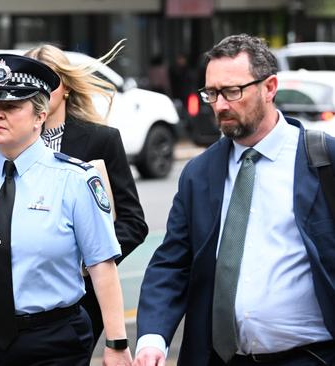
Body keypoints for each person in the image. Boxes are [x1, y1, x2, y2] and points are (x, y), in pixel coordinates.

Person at [134, 34, 335, 366]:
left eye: (232, 91)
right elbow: (172, 263)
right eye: (212, 93)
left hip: (311, 356)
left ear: (269, 88)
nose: (220, 105)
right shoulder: (198, 174)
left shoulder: (323, 161)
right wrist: (152, 339)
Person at [0, 54, 132, 366]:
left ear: (39, 116)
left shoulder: (75, 180)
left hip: (50, 343)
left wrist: (116, 344)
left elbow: (103, 266)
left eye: (10, 107)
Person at [24, 43, 148, 346]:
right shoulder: (12, 144)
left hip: (81, 297)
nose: (39, 91)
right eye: (30, 83)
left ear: (65, 86)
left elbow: (133, 222)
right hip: (21, 297)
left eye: (48, 81)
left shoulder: (101, 140)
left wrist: (86, 262)